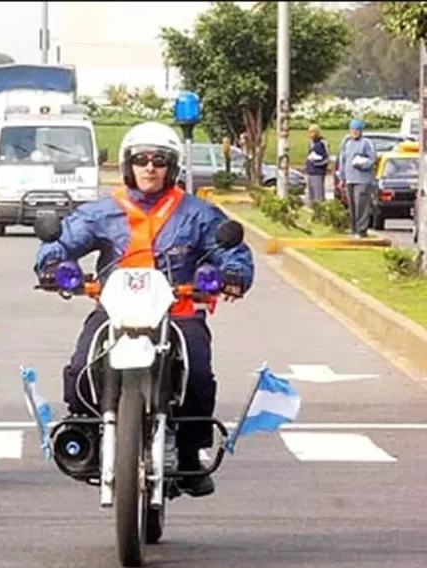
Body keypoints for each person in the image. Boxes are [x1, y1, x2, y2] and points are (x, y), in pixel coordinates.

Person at [34, 121, 255, 498]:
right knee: (79, 365)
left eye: (159, 160)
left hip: (179, 312)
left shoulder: (198, 213)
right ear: (127, 165)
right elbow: (61, 243)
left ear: (172, 167)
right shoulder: (102, 212)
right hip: (116, 312)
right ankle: (85, 431)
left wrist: (233, 273)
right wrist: (53, 265)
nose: (149, 167)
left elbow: (231, 250)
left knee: (198, 370)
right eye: (141, 159)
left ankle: (188, 453)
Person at [337, 119, 376, 238]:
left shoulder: (366, 143)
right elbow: (342, 161)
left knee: (361, 205)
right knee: (352, 205)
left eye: (357, 130)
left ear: (361, 131)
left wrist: (361, 163)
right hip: (350, 179)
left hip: (363, 180)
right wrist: (342, 178)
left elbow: (372, 159)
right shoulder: (346, 143)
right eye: (353, 129)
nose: (354, 132)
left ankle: (362, 230)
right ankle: (354, 229)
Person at [305, 124, 330, 205]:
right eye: (309, 132)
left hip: (318, 172)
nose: (310, 135)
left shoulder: (322, 142)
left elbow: (326, 158)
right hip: (310, 171)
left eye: (312, 132)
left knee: (318, 195)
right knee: (311, 195)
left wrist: (317, 162)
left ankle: (320, 211)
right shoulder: (311, 143)